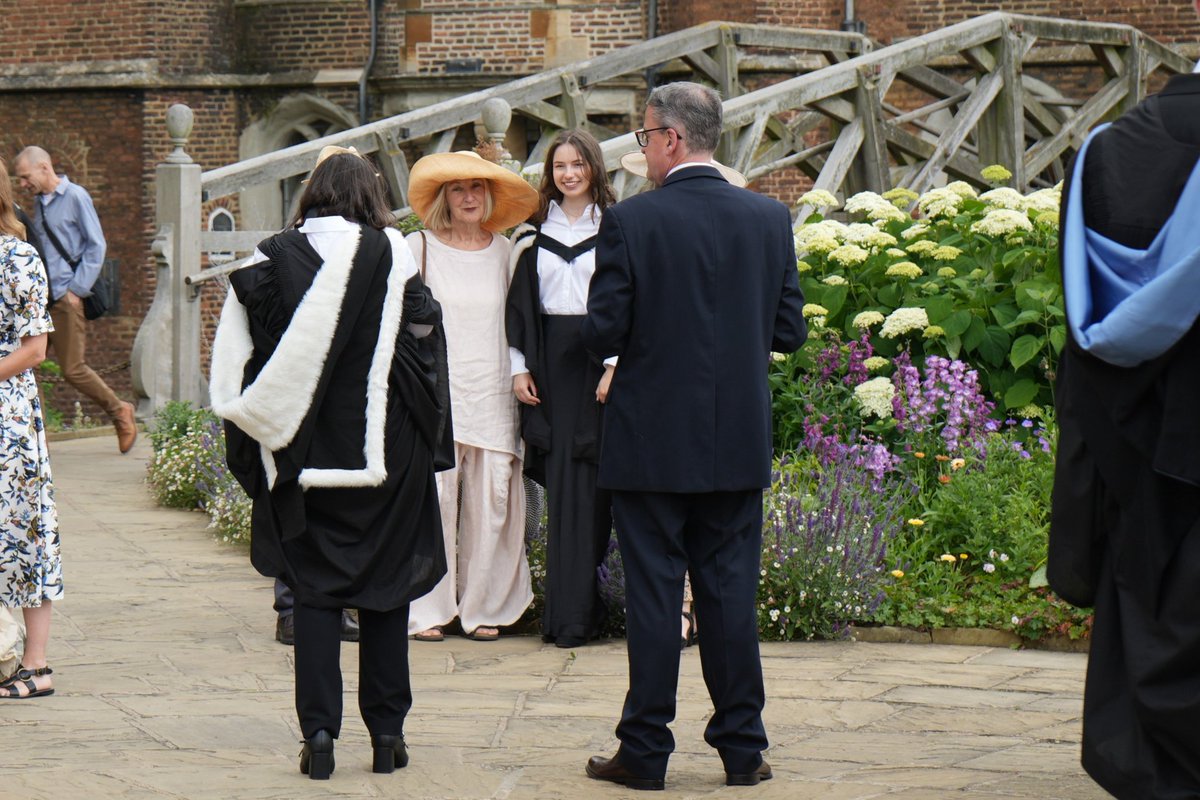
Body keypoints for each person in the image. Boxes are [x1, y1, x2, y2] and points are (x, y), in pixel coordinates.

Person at [580, 82, 807, 790]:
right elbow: (789, 330)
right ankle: (743, 749)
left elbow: (603, 332)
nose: (643, 150)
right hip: (735, 442)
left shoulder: (633, 224)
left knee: (654, 599)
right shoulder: (769, 218)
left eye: (645, 137)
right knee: (729, 599)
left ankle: (645, 751)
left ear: (672, 138)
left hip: (650, 445)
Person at [211, 146, 448, 779]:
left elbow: (237, 360)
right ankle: (387, 734)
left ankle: (319, 736)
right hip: (384, 456)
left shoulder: (269, 257)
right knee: (386, 591)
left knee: (315, 596)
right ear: (368, 196)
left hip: (303, 456)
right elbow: (424, 334)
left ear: (311, 194)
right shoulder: (391, 252)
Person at [1048, 20, 1200, 798]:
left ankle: (1146, 764)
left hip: (1127, 429)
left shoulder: (1106, 148)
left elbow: (1086, 324)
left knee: (1141, 597)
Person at [404, 150, 539, 643]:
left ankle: (484, 607)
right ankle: (427, 609)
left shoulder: (506, 253)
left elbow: (522, 324)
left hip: (493, 388)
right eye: (458, 189)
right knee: (433, 500)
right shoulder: (416, 247)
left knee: (493, 501)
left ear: (489, 197)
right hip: (435, 391)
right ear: (443, 196)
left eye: (477, 189)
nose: (468, 197)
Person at [506, 130, 617, 649]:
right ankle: (564, 615)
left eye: (578, 164)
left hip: (597, 365)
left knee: (594, 486)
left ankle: (587, 611)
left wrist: (615, 363)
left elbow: (626, 300)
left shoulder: (615, 228)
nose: (569, 174)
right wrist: (518, 367)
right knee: (562, 487)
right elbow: (519, 310)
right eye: (559, 167)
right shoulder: (532, 235)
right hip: (549, 363)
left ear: (594, 167)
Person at [12, 147, 136, 454]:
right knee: (26, 365)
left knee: (73, 368)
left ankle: (120, 411)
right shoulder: (40, 204)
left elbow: (96, 245)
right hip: (43, 299)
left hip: (66, 298)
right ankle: (35, 436)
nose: (23, 184)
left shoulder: (76, 197)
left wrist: (76, 290)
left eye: (25, 177)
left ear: (44, 167)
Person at [0, 156, 60, 700]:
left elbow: (35, 350)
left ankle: (35, 666)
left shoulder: (17, 257)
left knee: (24, 534)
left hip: (7, 418)